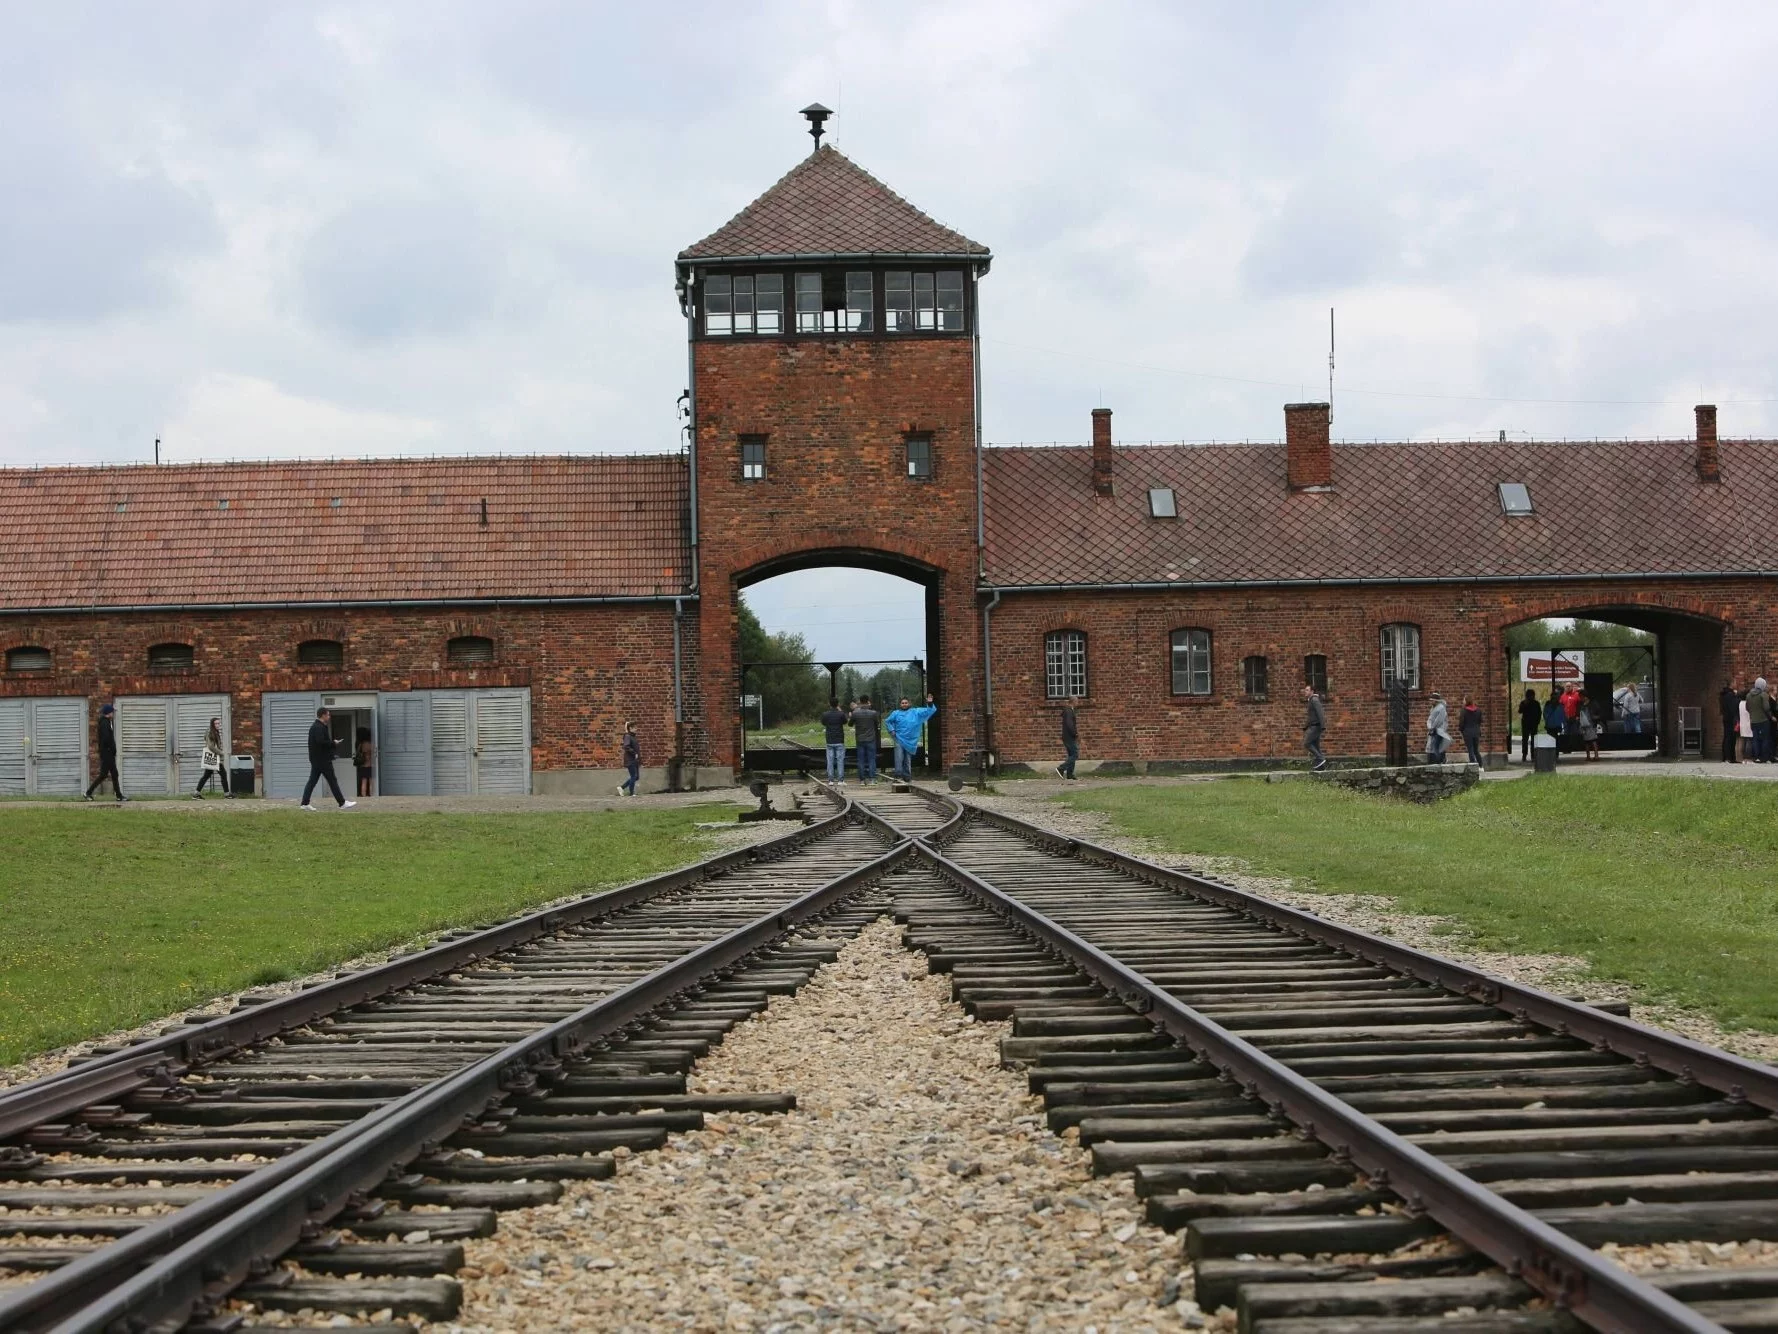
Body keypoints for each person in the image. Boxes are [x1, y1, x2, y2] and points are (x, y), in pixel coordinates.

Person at [300, 708, 354, 810]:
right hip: (322, 760)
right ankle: (342, 803)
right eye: (328, 715)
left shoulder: (316, 727)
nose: (329, 717)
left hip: (317, 759)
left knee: (312, 781)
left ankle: (304, 803)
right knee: (332, 781)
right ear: (323, 715)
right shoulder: (318, 727)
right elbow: (320, 742)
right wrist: (333, 743)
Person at [884, 694, 937, 781]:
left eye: (906, 703)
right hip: (899, 739)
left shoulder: (915, 712)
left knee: (907, 759)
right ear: (900, 704)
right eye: (902, 703)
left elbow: (928, 711)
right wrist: (892, 730)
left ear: (909, 703)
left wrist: (930, 703)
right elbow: (888, 721)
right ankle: (898, 775)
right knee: (899, 757)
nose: (904, 704)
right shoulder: (896, 713)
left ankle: (907, 777)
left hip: (910, 741)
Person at [84, 703, 126, 803]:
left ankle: (119, 796)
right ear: (108, 712)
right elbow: (106, 739)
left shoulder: (107, 722)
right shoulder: (104, 723)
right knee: (104, 775)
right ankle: (88, 793)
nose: (113, 713)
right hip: (107, 753)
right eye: (112, 711)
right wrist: (110, 749)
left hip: (108, 753)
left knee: (114, 774)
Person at [194, 717, 230, 798]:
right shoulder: (211, 732)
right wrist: (220, 752)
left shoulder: (214, 732)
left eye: (218, 723)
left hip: (213, 758)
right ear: (212, 724)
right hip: (214, 758)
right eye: (216, 723)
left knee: (206, 775)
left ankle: (196, 793)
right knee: (223, 774)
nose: (218, 725)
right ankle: (227, 794)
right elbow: (210, 746)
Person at [850, 695, 880, 784]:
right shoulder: (873, 713)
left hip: (860, 739)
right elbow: (877, 724)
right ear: (868, 701)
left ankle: (862, 780)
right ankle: (872, 779)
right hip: (871, 738)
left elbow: (850, 724)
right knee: (871, 759)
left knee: (861, 759)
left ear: (860, 701)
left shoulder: (855, 713)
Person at [820, 700, 849, 785]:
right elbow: (845, 721)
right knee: (840, 760)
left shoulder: (825, 714)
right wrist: (840, 711)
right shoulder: (841, 714)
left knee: (830, 760)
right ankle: (840, 780)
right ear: (838, 704)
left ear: (829, 704)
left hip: (829, 740)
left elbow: (823, 722)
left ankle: (831, 780)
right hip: (839, 740)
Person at [1302, 685, 1327, 771]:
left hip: (1316, 726)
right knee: (1316, 747)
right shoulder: (1311, 701)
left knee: (1307, 743)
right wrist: (1305, 726)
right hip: (1313, 725)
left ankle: (1320, 758)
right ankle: (1321, 767)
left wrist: (1323, 725)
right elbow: (1310, 716)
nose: (1305, 691)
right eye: (1305, 690)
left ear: (1312, 691)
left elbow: (1320, 713)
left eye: (1307, 690)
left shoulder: (1315, 700)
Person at [1749, 678, 1773, 764]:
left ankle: (1756, 757)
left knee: (1755, 739)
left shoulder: (1749, 695)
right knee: (1765, 739)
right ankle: (1764, 757)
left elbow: (1747, 708)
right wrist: (1770, 716)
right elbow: (1766, 708)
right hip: (1763, 720)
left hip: (1753, 720)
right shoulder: (1763, 695)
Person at [1056, 696, 1080, 779]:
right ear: (1073, 701)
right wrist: (1075, 733)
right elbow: (1069, 724)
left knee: (1071, 754)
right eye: (1077, 701)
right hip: (1069, 736)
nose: (1078, 703)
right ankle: (1061, 768)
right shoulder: (1069, 711)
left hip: (1067, 736)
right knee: (1075, 754)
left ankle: (1070, 774)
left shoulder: (1068, 711)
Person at [1424, 693, 1450, 764]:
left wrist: (1432, 728)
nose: (1431, 702)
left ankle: (1439, 761)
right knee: (1435, 746)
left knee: (1437, 746)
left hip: (1439, 730)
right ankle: (1438, 761)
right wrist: (1429, 726)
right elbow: (1430, 719)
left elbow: (1439, 720)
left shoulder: (1441, 708)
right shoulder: (1433, 708)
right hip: (1434, 730)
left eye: (1432, 700)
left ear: (1436, 701)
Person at [1720, 681, 1742, 764]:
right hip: (1730, 719)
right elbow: (1734, 706)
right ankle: (1728, 757)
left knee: (1729, 737)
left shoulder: (1725, 694)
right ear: (1731, 684)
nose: (1736, 684)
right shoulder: (1730, 695)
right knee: (1730, 738)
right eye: (1735, 682)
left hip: (1727, 718)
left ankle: (1729, 757)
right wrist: (1737, 697)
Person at [1517, 688, 1541, 763]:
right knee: (1525, 740)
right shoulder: (1524, 703)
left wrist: (1537, 722)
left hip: (1531, 723)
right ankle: (1525, 755)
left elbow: (1539, 713)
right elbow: (1520, 711)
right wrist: (1524, 705)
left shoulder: (1536, 703)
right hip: (1527, 723)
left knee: (1532, 740)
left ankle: (1532, 755)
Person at [1459, 695, 1482, 766]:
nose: (1463, 701)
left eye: (1464, 700)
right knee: (1476, 750)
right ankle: (1480, 766)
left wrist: (1461, 730)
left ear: (1466, 701)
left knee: (1470, 750)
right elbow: (1480, 721)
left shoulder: (1464, 711)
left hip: (1467, 732)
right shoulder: (1478, 710)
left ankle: (1473, 766)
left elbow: (1461, 723)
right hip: (1476, 732)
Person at [618, 721, 641, 796]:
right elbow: (626, 746)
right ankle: (631, 793)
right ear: (630, 728)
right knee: (633, 776)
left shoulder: (633, 736)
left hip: (635, 759)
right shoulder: (627, 736)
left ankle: (621, 787)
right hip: (630, 759)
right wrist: (634, 753)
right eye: (635, 728)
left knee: (636, 777)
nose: (636, 729)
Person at [1576, 697, 1600, 761]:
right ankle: (1591, 756)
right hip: (1588, 724)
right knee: (1590, 741)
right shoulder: (1585, 705)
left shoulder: (1587, 705)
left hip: (1588, 725)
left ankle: (1593, 756)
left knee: (1591, 741)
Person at [354, 727, 374, 797]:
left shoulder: (360, 744)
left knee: (364, 781)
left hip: (363, 765)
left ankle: (364, 797)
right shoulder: (370, 744)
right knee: (371, 782)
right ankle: (371, 796)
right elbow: (372, 753)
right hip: (370, 765)